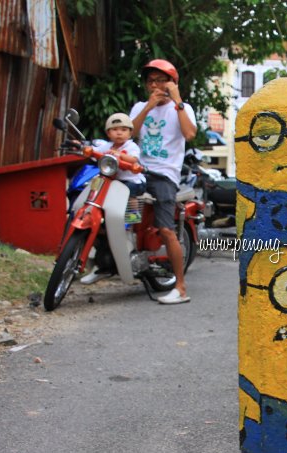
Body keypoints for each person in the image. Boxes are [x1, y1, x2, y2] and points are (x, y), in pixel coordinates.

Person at [129, 59, 197, 304]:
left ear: (172, 83)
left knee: (166, 229)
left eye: (161, 80)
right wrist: (148, 107)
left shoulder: (182, 108)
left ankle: (180, 286)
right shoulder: (139, 107)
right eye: (151, 81)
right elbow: (130, 134)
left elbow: (189, 134)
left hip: (165, 174)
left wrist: (177, 100)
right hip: (137, 169)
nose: (155, 85)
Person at [80, 113, 145, 285]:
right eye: (114, 130)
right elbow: (95, 152)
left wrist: (120, 156)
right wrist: (87, 149)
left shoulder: (131, 146)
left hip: (131, 181)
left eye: (123, 130)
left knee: (130, 193)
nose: (119, 133)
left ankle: (132, 218)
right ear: (108, 133)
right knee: (95, 193)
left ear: (130, 133)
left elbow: (133, 159)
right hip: (110, 183)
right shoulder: (106, 145)